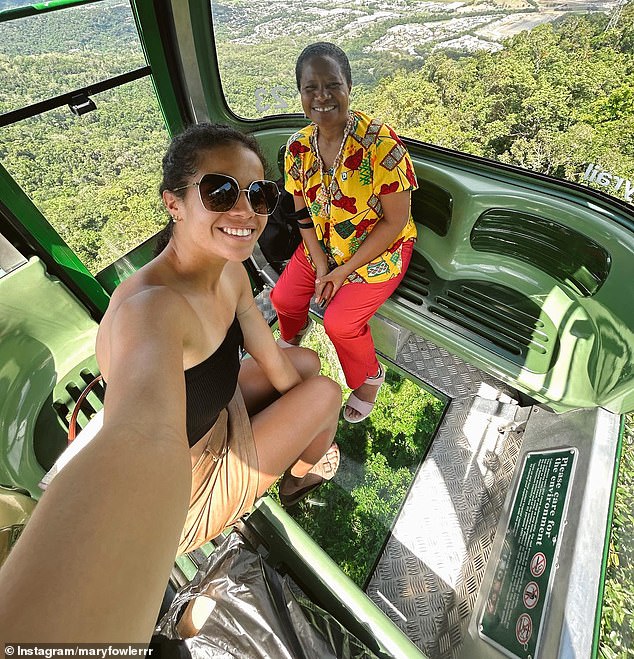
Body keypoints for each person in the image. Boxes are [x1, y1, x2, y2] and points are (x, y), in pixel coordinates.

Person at [0, 123, 342, 642]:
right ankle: (299, 475)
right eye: (220, 191)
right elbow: (139, 436)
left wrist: (288, 394)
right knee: (326, 395)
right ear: (174, 203)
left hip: (214, 414)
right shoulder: (152, 309)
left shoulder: (229, 271)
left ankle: (294, 454)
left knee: (307, 369)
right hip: (185, 484)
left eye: (259, 194)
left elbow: (270, 355)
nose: (245, 211)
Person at [270, 42, 418, 424]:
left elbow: (395, 222)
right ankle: (294, 332)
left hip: (378, 251)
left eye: (332, 85)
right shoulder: (298, 147)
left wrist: (343, 270)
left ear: (349, 86)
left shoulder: (380, 145)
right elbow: (301, 207)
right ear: (301, 93)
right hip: (323, 243)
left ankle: (369, 377)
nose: (321, 96)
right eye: (310, 88)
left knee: (340, 323)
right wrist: (319, 261)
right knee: (284, 298)